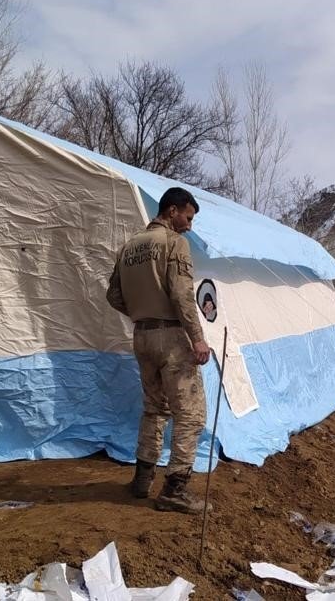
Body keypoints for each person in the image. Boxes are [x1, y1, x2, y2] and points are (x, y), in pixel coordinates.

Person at [106, 187, 211, 514]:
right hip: (171, 338)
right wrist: (197, 338)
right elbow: (182, 296)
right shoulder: (174, 243)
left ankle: (142, 479)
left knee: (154, 408)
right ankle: (175, 489)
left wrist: (140, 313)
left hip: (143, 337)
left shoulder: (129, 247)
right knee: (190, 414)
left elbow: (113, 296)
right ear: (172, 210)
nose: (189, 226)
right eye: (188, 217)